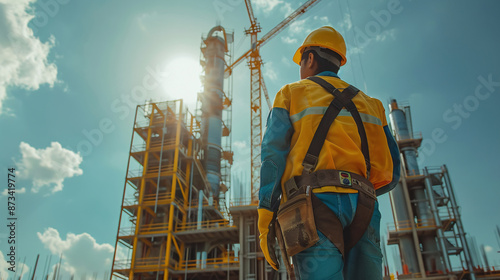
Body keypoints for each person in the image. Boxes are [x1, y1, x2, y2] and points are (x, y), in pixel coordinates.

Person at [257, 26, 401, 279]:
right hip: (365, 205)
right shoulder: (374, 106)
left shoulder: (290, 93)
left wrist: (266, 214)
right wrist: (356, 189)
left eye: (301, 62)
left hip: (311, 205)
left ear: (310, 58)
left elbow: (272, 155)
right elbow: (394, 173)